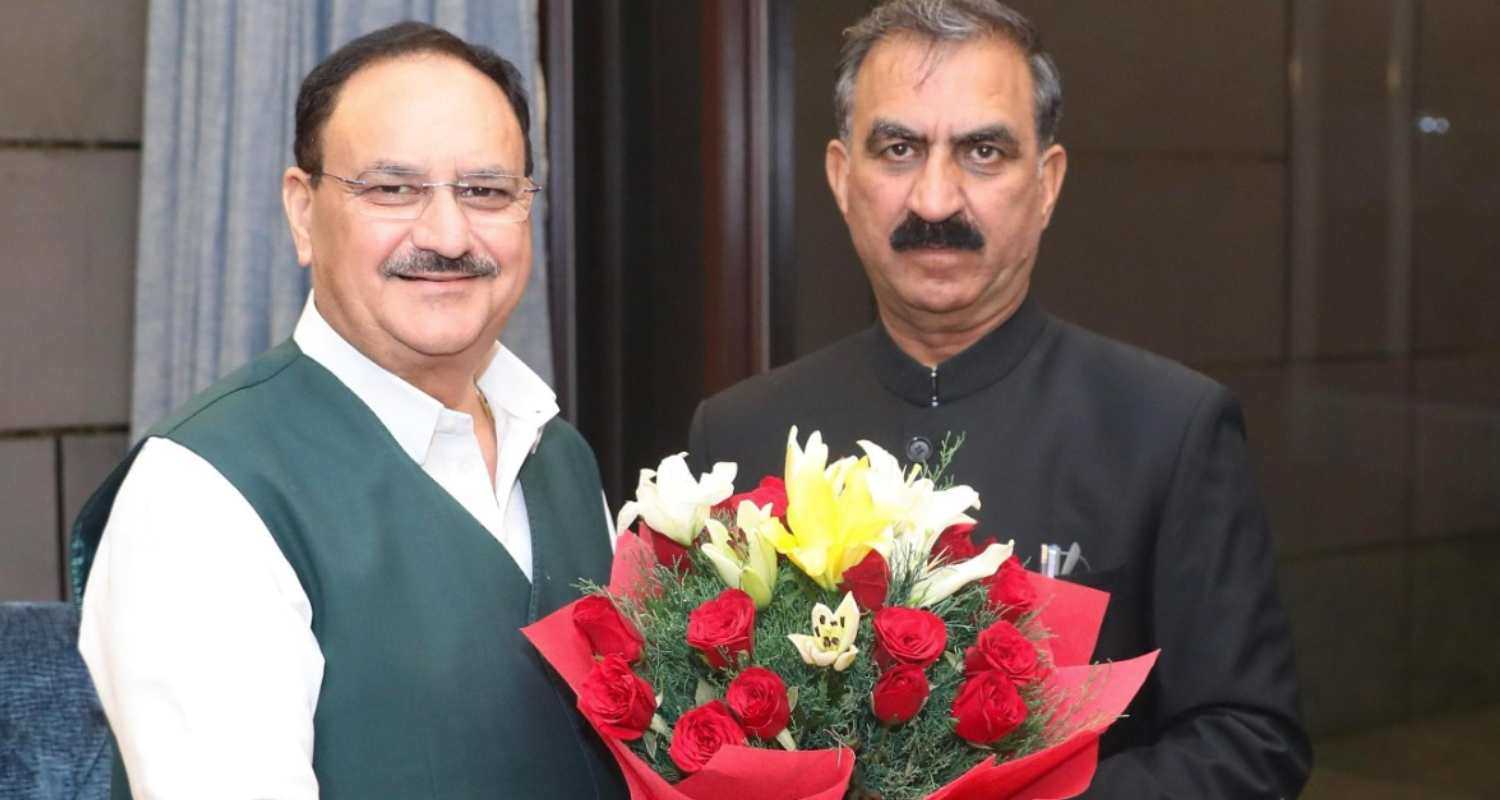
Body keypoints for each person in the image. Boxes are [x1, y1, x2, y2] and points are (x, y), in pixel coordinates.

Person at [688, 1, 1312, 796]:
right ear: (842, 178)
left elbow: (1253, 742)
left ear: (1046, 183)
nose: (936, 201)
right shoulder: (741, 432)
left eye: (984, 151)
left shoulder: (1168, 429)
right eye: (899, 148)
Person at [73, 22, 624, 799]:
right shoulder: (202, 496)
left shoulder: (562, 458)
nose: (447, 234)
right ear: (303, 212)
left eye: (488, 191)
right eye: (393, 189)